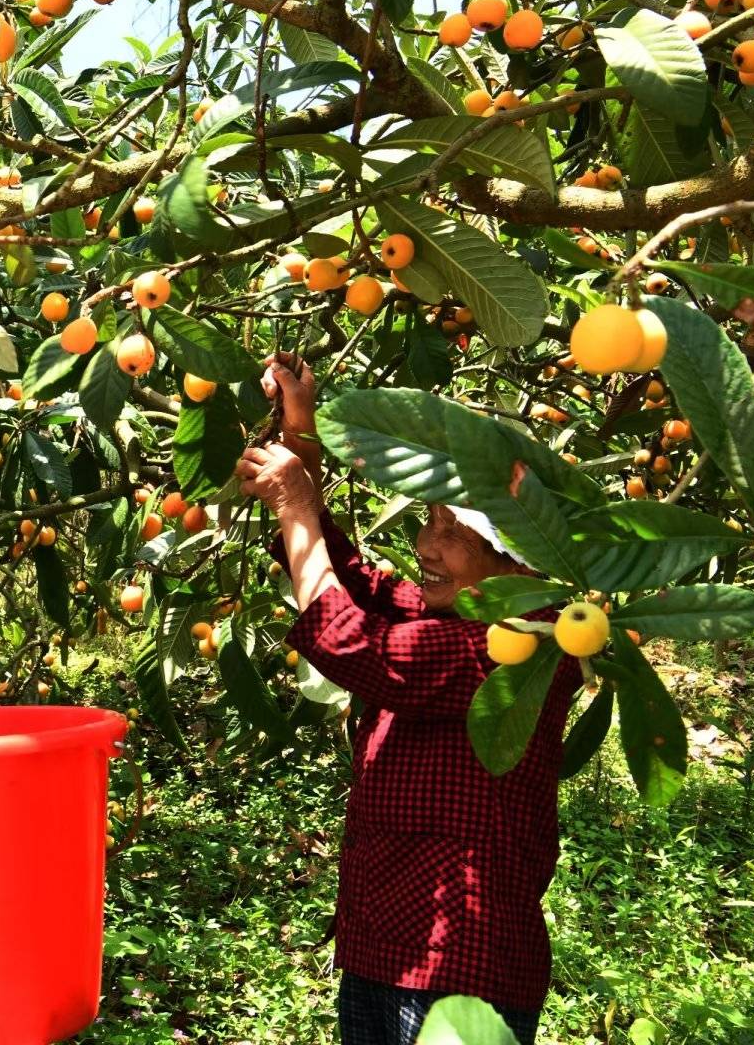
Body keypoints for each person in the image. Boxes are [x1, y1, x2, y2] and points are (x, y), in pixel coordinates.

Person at [234, 353, 580, 1045]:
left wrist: (298, 505)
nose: (426, 543)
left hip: (455, 968)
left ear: (513, 555)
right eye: (429, 520)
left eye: (452, 531)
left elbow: (351, 642)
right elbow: (351, 579)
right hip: (386, 945)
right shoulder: (456, 617)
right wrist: (301, 435)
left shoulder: (524, 641)